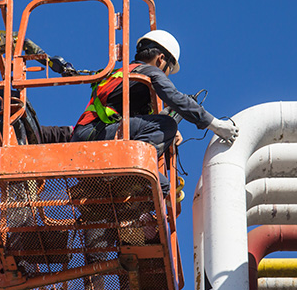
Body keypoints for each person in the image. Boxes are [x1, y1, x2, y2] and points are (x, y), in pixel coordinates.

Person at [70, 30, 239, 194]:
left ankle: (110, 200)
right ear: (161, 59)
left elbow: (133, 120)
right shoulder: (147, 71)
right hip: (96, 135)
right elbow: (174, 97)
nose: (167, 74)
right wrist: (216, 125)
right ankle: (130, 172)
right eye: (169, 69)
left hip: (92, 136)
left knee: (163, 185)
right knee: (166, 125)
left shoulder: (121, 75)